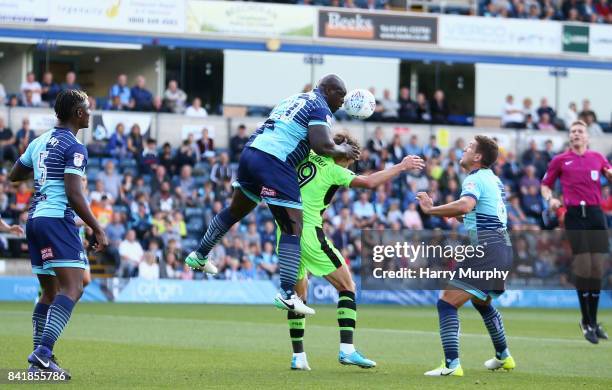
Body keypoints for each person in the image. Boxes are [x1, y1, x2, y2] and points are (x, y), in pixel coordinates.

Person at [185, 74, 359, 315]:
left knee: (236, 209)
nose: (342, 102)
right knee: (293, 226)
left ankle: (200, 254)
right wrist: (343, 148)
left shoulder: (294, 98)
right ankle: (288, 294)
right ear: (328, 90)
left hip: (251, 152)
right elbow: (322, 146)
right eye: (340, 96)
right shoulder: (320, 106)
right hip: (275, 160)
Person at [287, 132, 424, 370]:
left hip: (286, 231)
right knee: (347, 286)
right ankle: (347, 350)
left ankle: (298, 357)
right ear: (344, 156)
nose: (351, 164)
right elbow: (370, 183)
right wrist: (401, 166)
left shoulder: (307, 155)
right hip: (309, 233)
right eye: (351, 160)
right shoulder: (334, 170)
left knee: (299, 295)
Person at [9, 89, 108, 377]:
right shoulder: (75, 147)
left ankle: (37, 364)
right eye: (87, 109)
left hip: (35, 221)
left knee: (50, 292)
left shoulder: (39, 141)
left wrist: (41, 169)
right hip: (56, 220)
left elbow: (15, 174)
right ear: (78, 114)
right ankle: (42, 353)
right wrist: (97, 227)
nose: (90, 113)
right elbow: (74, 194)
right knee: (74, 288)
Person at [416, 135, 515, 376]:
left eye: (469, 147)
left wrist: (431, 210)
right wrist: (455, 212)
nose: (464, 149)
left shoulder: (475, 178)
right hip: (502, 247)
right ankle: (504, 356)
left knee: (446, 303)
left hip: (487, 248)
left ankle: (452, 365)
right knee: (482, 302)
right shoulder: (493, 180)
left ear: (478, 157)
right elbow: (473, 213)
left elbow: (464, 207)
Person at [541, 120, 611, 344]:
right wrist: (550, 199)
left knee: (597, 268)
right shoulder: (560, 160)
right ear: (569, 137)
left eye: (580, 131)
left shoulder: (597, 158)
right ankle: (586, 321)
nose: (576, 135)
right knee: (583, 266)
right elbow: (545, 185)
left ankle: (593, 320)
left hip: (595, 213)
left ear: (587, 137)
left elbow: (609, 172)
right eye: (573, 132)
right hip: (574, 215)